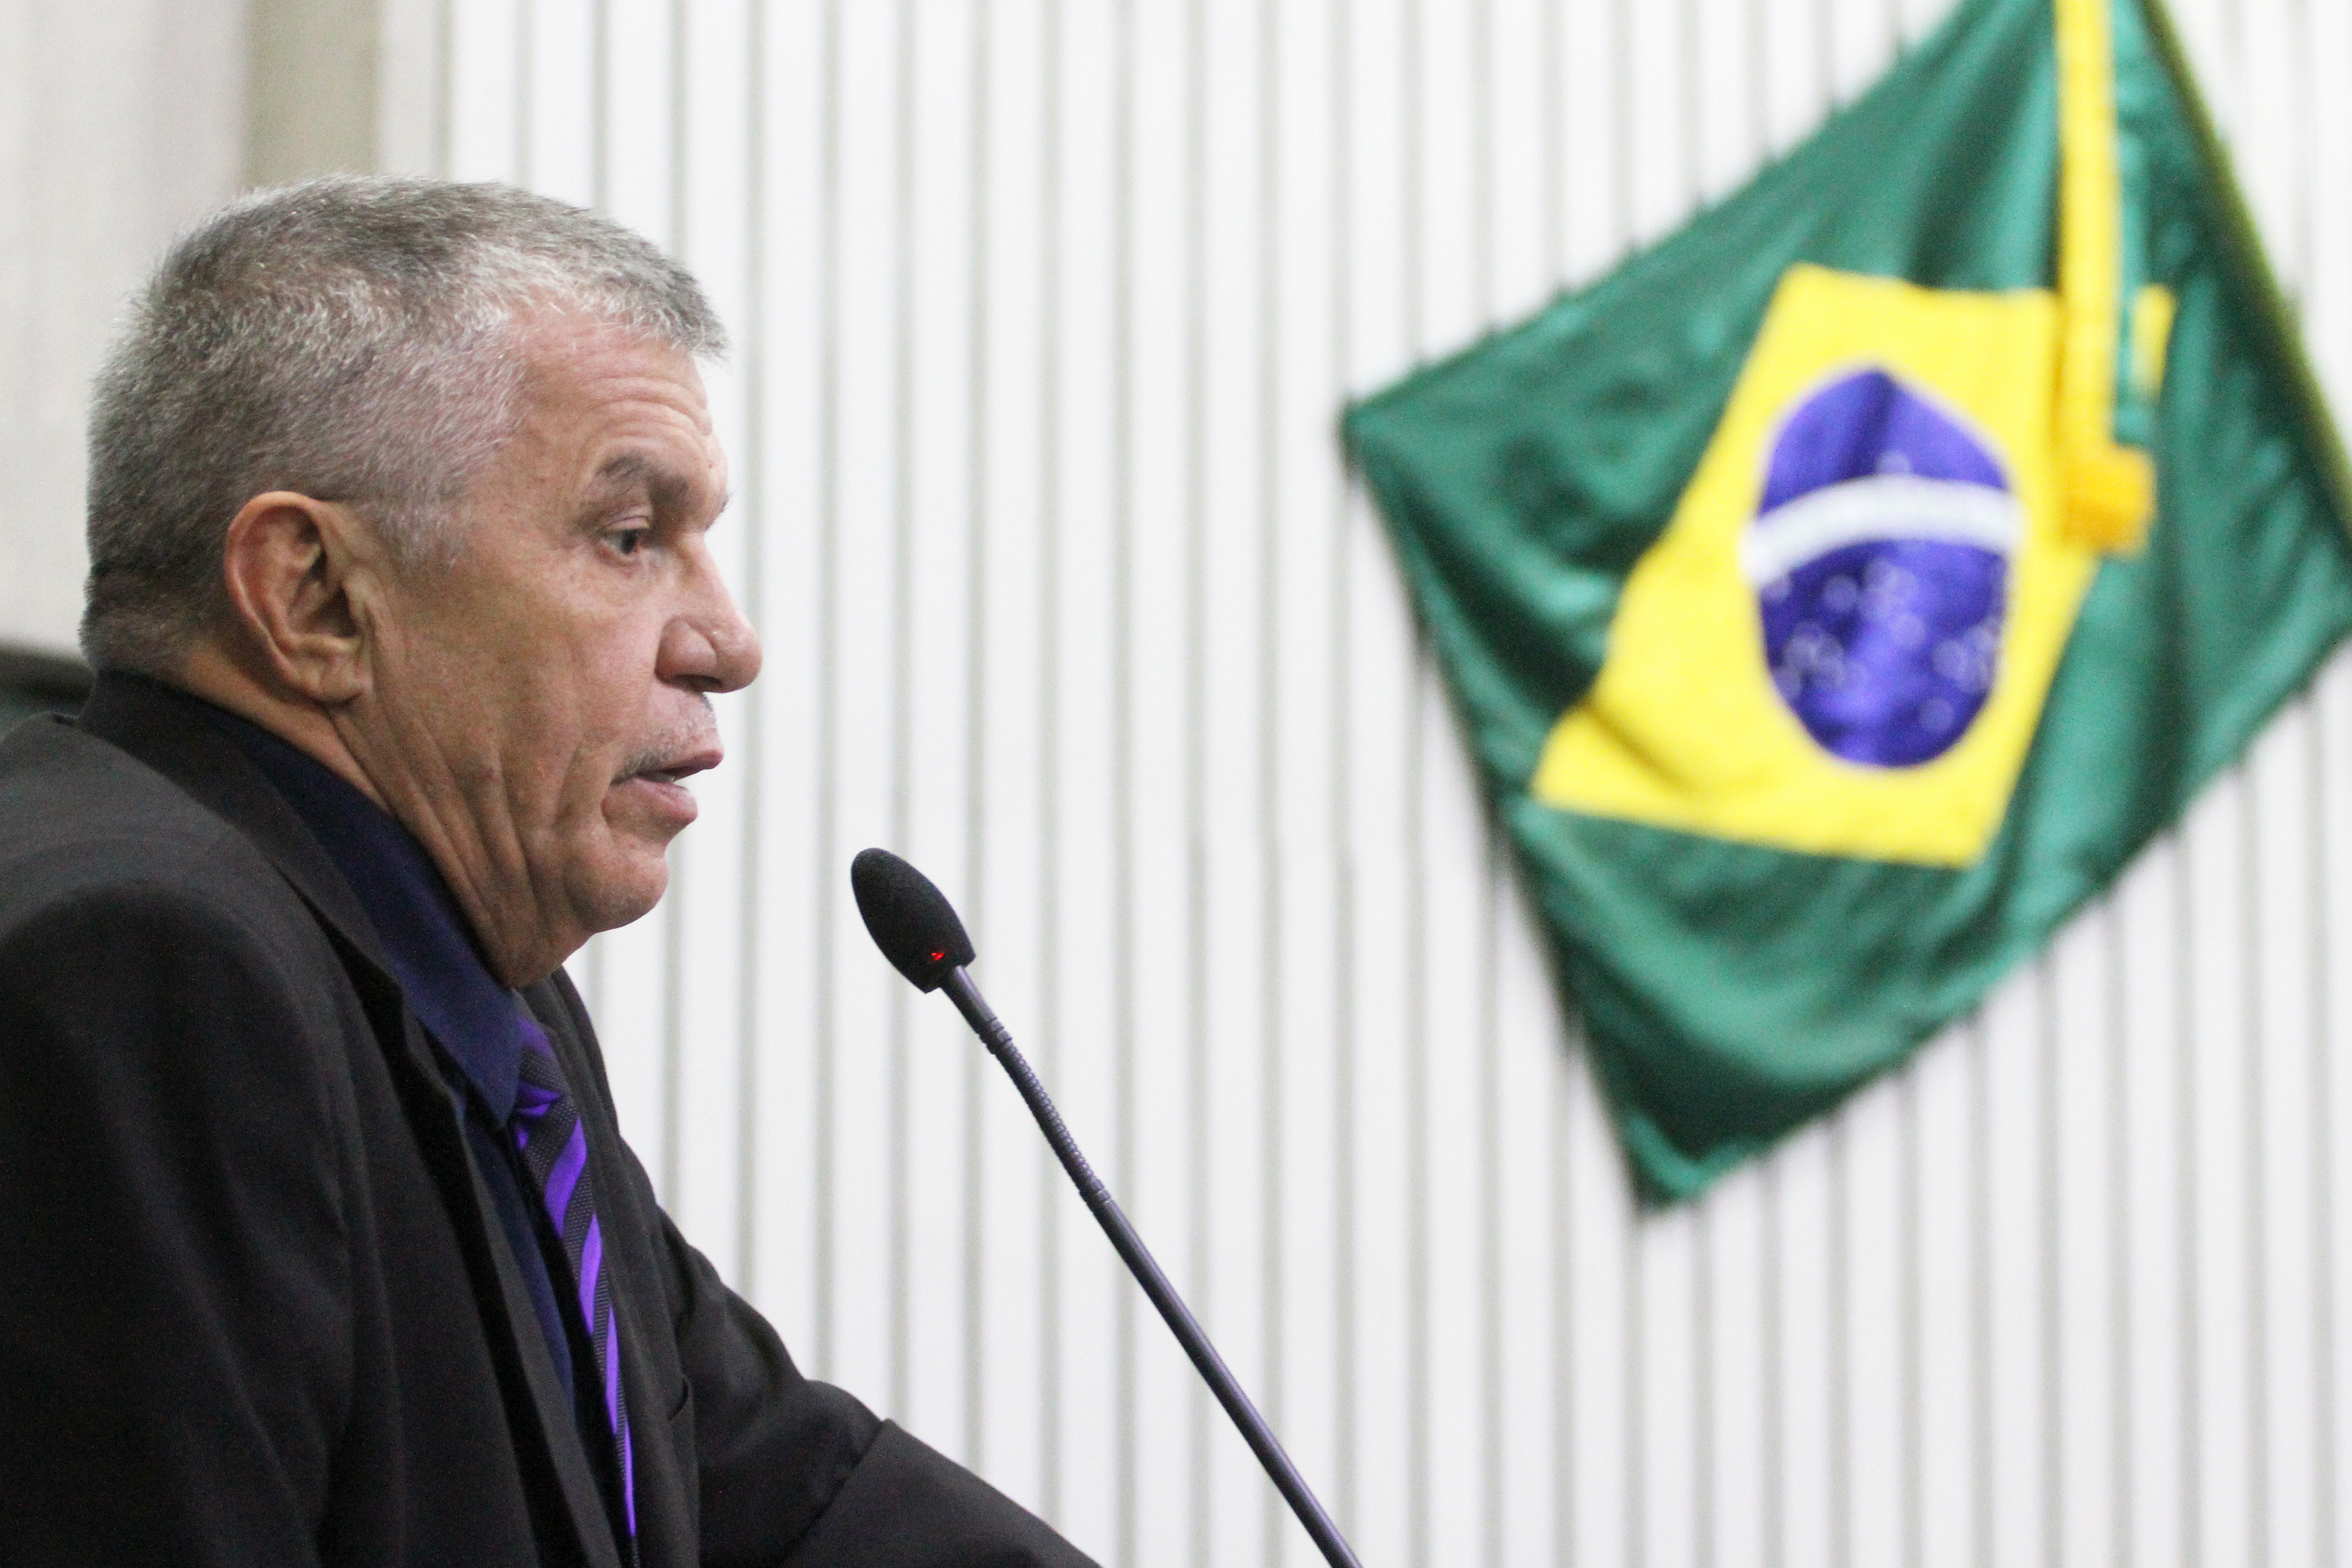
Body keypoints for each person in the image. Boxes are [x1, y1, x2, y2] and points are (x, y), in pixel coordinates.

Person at [0, 176, 1093, 1568]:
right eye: (630, 539)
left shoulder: (474, 986)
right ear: (315, 595)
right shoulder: (140, 967)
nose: (729, 644)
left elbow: (769, 1485)